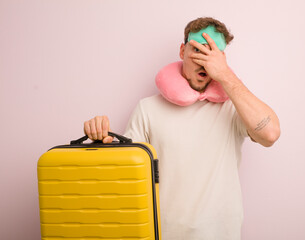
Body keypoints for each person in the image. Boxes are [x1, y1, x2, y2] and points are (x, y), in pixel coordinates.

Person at [84, 17, 280, 240]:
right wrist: (100, 142)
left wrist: (225, 75)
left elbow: (270, 134)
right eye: (197, 50)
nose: (204, 61)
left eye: (211, 53)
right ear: (182, 51)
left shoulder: (233, 110)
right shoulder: (148, 109)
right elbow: (125, 178)